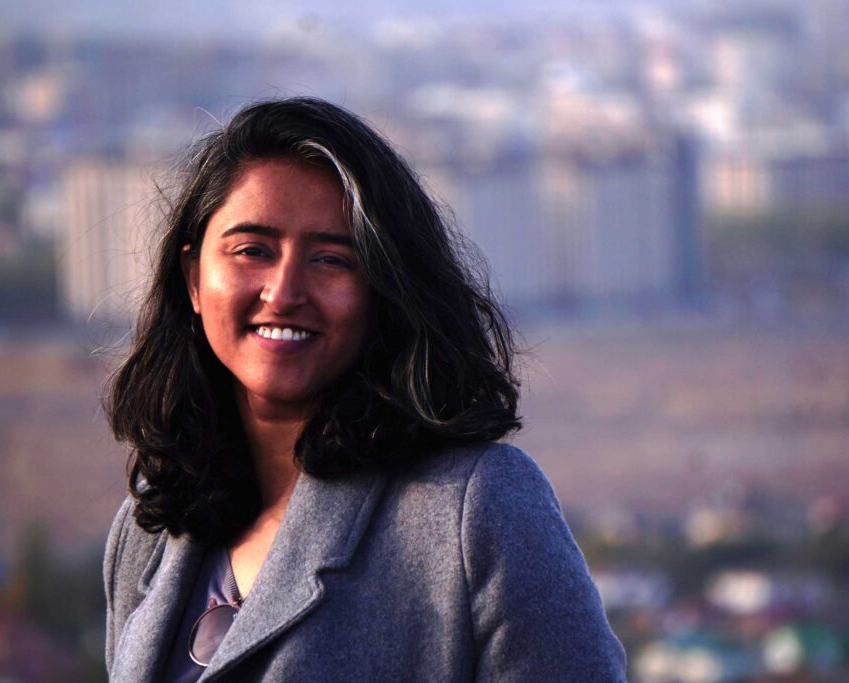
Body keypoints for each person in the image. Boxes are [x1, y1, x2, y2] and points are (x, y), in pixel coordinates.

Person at [102, 97, 626, 682]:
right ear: (193, 279)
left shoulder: (474, 509)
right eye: (253, 250)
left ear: (386, 291)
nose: (284, 291)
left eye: (331, 259)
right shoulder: (148, 530)